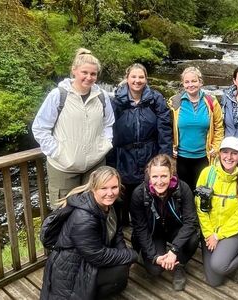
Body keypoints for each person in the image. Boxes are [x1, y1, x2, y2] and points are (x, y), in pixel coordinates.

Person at [32, 48, 115, 209]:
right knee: (63, 213)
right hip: (63, 167)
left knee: (95, 210)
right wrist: (58, 152)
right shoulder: (58, 95)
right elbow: (40, 128)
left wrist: (105, 145)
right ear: (74, 71)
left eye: (93, 74)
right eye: (85, 72)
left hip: (95, 165)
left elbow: (108, 123)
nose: (89, 77)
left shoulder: (102, 96)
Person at [40, 166, 138, 299]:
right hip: (70, 270)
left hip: (87, 259)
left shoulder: (112, 204)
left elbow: (117, 233)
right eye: (104, 188)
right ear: (93, 188)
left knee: (122, 268)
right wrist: (130, 255)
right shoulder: (83, 217)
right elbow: (98, 256)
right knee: (120, 271)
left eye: (114, 187)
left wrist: (125, 254)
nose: (110, 193)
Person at [108, 63, 173, 226]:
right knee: (124, 194)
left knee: (148, 192)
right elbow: (108, 130)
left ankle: (148, 227)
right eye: (133, 77)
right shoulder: (116, 101)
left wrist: (165, 159)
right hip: (123, 156)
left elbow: (164, 130)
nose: (137, 81)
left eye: (141, 77)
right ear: (127, 78)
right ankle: (121, 228)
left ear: (146, 79)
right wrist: (110, 160)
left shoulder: (156, 99)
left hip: (149, 153)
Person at [130, 154, 199, 291]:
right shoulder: (139, 193)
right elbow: (140, 229)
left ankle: (179, 264)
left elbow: (190, 221)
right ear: (149, 175)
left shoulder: (182, 188)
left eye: (164, 176)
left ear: (171, 174)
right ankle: (157, 258)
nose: (159, 181)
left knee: (193, 238)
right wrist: (154, 257)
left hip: (174, 229)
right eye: (155, 176)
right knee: (155, 270)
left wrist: (174, 250)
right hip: (153, 232)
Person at [195, 136, 238, 287]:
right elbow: (200, 206)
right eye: (225, 152)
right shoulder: (207, 174)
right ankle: (224, 255)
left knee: (219, 266)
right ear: (219, 153)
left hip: (234, 231)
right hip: (210, 231)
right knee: (214, 281)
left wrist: (218, 235)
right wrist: (209, 233)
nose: (229, 157)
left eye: (234, 153)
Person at [168, 66, 224, 191]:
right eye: (187, 82)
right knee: (182, 193)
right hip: (181, 158)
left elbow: (219, 127)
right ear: (183, 84)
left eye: (194, 81)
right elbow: (168, 126)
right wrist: (171, 146)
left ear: (200, 82)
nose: (190, 85)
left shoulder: (211, 102)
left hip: (204, 157)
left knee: (202, 192)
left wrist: (215, 147)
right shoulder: (174, 102)